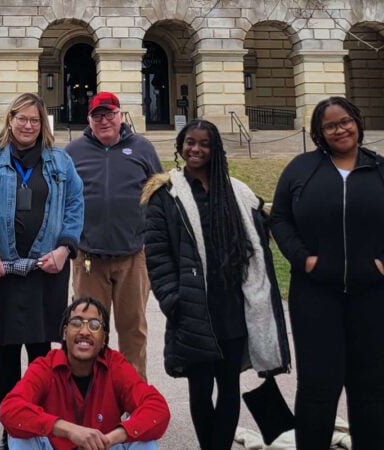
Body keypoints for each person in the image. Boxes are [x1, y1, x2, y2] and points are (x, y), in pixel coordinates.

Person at [142, 119, 290, 450]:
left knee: (228, 385)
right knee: (200, 386)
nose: (196, 149)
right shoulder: (165, 195)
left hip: (233, 302)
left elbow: (259, 239)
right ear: (180, 146)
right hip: (193, 303)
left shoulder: (238, 191)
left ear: (215, 150)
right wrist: (173, 300)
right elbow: (157, 254)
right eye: (189, 142)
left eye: (204, 143)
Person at [0, 92, 84, 450]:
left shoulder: (61, 162)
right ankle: (13, 427)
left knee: (42, 352)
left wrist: (64, 249)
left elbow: (76, 205)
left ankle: (45, 427)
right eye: (22, 119)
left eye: (34, 120)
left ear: (41, 123)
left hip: (48, 269)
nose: (28, 126)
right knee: (7, 350)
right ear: (10, 119)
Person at [270, 96, 384, 450]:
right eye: (331, 125)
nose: (340, 129)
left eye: (345, 121)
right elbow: (280, 218)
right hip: (316, 295)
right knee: (319, 386)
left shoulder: (379, 168)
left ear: (357, 122)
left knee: (371, 387)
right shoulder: (302, 169)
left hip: (373, 295)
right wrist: (303, 259)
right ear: (320, 133)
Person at [65, 91, 162, 380]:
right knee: (87, 329)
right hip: (88, 257)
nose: (104, 120)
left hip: (133, 256)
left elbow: (159, 196)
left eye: (110, 114)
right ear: (89, 120)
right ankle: (89, 392)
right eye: (98, 115)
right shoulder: (73, 151)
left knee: (133, 329)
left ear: (120, 116)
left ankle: (133, 394)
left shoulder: (142, 148)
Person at [0, 297, 170, 450]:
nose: (84, 332)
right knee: (18, 434)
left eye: (94, 325)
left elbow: (157, 408)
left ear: (104, 338)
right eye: (76, 323)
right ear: (65, 333)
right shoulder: (45, 366)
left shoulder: (115, 365)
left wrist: (110, 439)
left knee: (145, 439)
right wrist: (70, 430)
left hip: (103, 446)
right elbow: (10, 409)